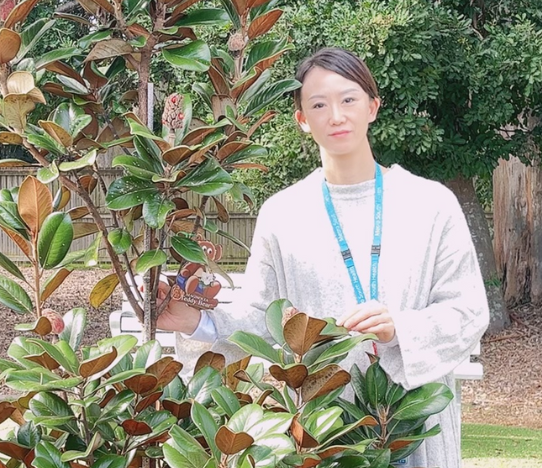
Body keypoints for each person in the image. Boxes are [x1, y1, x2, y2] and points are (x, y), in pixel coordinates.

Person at [153, 47, 489, 468]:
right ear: (301, 120)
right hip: (322, 432)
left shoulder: (431, 204)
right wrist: (196, 320)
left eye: (348, 99)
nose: (335, 115)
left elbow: (469, 311)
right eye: (318, 104)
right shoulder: (283, 213)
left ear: (372, 106)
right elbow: (263, 314)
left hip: (410, 426)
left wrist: (400, 326)